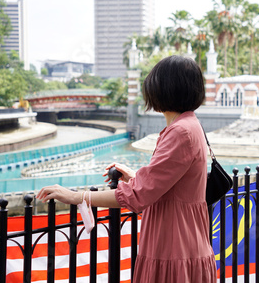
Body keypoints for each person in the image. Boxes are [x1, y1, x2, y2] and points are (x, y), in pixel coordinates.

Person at [37, 55, 217, 283]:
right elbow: (171, 183)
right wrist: (135, 176)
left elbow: (139, 195)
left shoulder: (180, 132)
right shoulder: (190, 124)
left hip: (173, 246)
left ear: (162, 89)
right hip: (185, 241)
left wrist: (77, 196)